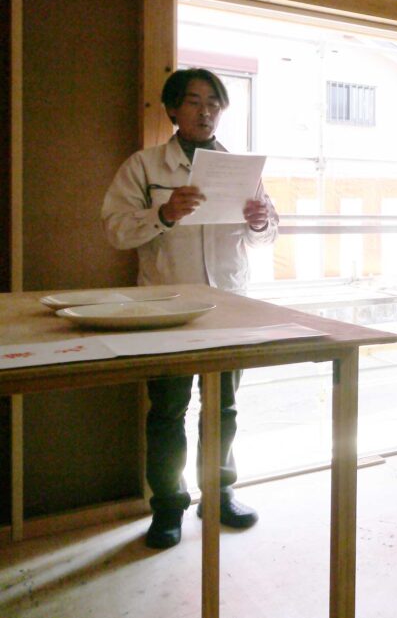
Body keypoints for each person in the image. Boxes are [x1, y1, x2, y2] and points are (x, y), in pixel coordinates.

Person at [102, 68, 279, 549]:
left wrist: (260, 221)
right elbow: (116, 230)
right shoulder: (145, 166)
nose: (206, 111)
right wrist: (163, 214)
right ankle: (167, 507)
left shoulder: (240, 169)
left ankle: (219, 494)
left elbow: (267, 235)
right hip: (166, 308)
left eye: (214, 103)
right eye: (195, 102)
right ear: (173, 110)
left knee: (224, 407)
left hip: (229, 305)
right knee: (167, 411)